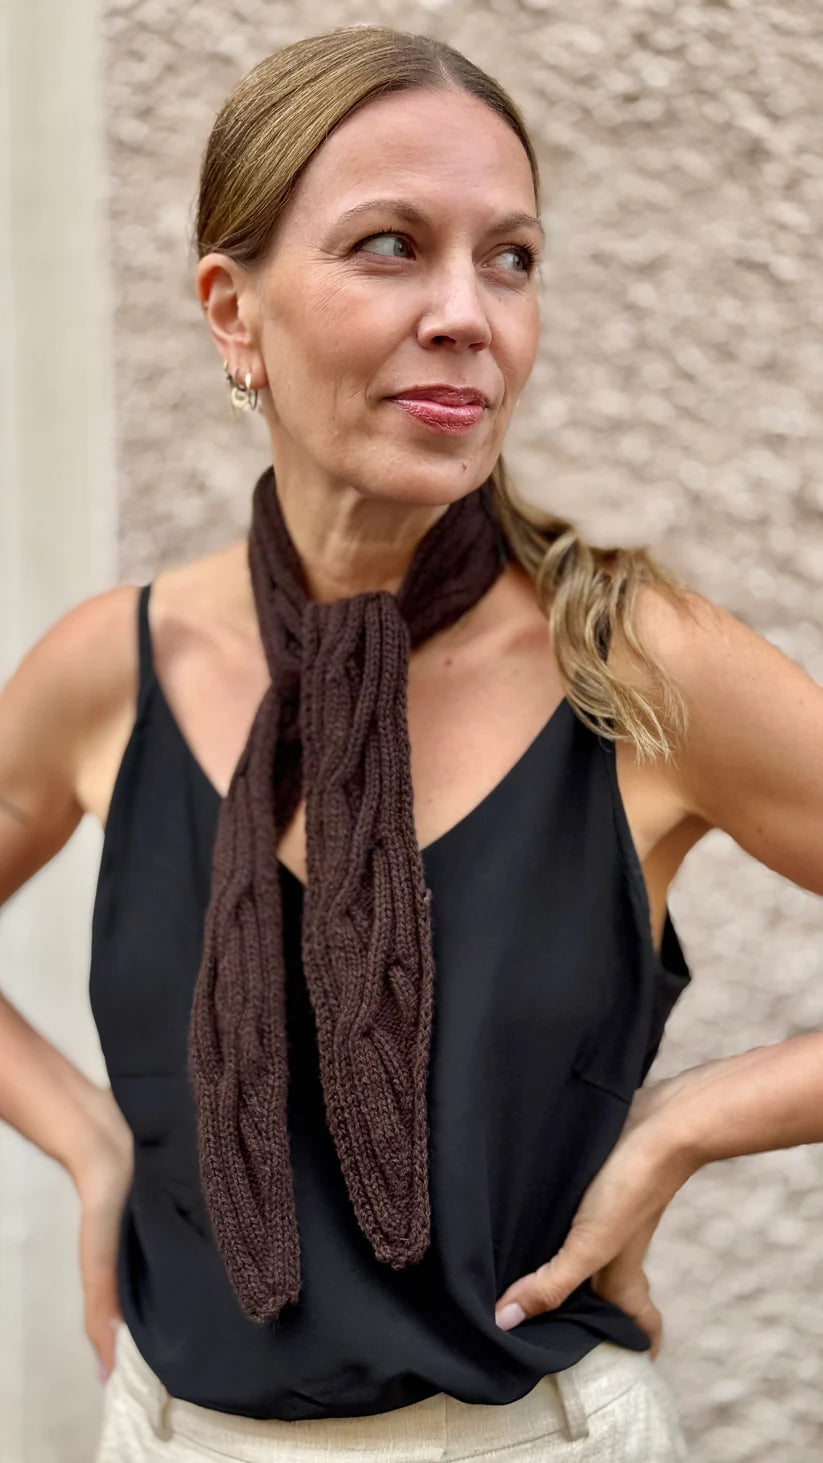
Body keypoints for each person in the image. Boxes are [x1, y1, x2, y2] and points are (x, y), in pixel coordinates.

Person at [1, 23, 821, 1463]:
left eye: (511, 258)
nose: (468, 313)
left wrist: (691, 1122)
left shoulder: (629, 666)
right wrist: (84, 1137)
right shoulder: (109, 672)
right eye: (391, 246)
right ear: (233, 310)